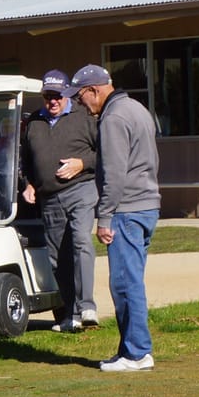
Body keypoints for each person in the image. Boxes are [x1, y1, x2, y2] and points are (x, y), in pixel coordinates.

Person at [71, 64, 160, 372]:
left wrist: (104, 216)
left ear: (93, 90)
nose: (81, 104)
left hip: (127, 210)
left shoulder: (113, 118)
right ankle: (129, 351)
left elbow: (114, 173)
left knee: (125, 283)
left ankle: (137, 354)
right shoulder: (137, 108)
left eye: (81, 97)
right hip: (147, 206)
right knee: (130, 280)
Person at [20, 70, 101, 332]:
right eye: (47, 96)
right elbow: (26, 161)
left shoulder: (84, 116)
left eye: (57, 96)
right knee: (57, 258)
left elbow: (105, 153)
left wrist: (82, 163)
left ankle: (87, 307)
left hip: (81, 189)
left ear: (67, 94)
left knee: (81, 242)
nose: (52, 101)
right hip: (49, 197)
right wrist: (29, 183)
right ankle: (71, 315)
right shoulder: (34, 122)